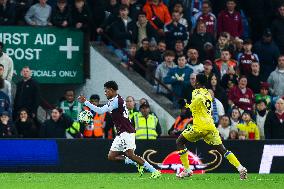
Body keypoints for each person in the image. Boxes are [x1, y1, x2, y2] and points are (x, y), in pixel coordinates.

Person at [78, 81, 161, 178]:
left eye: (106, 91)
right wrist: (91, 112)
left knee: (131, 154)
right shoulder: (114, 100)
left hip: (127, 131)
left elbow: (100, 110)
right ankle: (136, 163)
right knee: (111, 156)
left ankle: (155, 171)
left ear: (112, 90)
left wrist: (86, 102)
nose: (105, 93)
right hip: (121, 133)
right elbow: (101, 110)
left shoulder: (116, 101)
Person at [176, 74, 247, 179]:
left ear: (198, 82)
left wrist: (185, 104)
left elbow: (192, 106)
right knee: (222, 149)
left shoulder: (197, 93)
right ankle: (241, 168)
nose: (194, 82)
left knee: (180, 142)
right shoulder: (208, 94)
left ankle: (187, 170)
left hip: (200, 126)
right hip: (211, 126)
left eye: (195, 81)